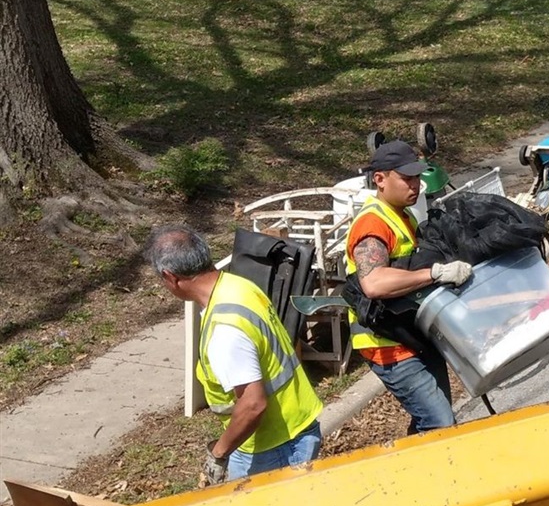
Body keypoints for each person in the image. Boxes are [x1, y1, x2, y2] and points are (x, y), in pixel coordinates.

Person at [145, 225, 323, 485]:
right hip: (296, 426)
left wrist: (219, 453)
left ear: (171, 277)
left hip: (271, 446)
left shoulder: (225, 329)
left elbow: (253, 405)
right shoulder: (238, 286)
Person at [344, 139, 471, 433]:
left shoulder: (401, 213)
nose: (415, 185)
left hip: (412, 334)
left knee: (432, 420)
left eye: (417, 177)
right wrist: (437, 273)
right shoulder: (372, 224)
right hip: (386, 343)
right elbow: (374, 283)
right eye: (406, 178)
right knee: (439, 422)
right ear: (380, 179)